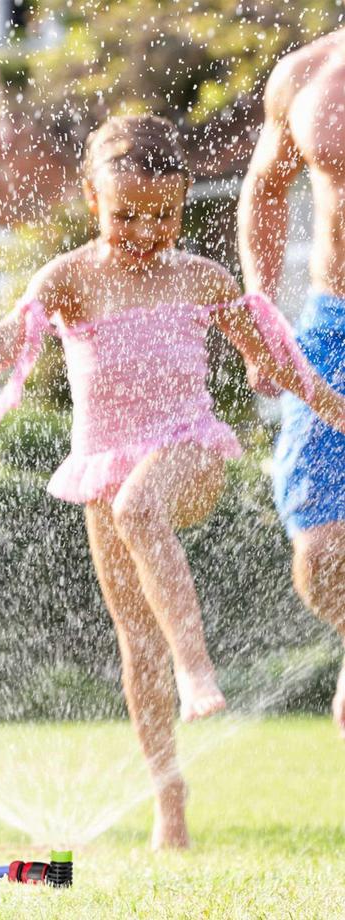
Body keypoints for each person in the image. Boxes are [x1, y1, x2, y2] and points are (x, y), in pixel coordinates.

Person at [0, 115, 345, 848]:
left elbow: (286, 362)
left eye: (163, 214)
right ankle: (170, 801)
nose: (145, 230)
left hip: (188, 454)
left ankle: (199, 670)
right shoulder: (69, 278)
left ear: (183, 200)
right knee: (138, 642)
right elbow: (12, 337)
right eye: (126, 214)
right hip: (103, 466)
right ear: (91, 197)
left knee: (142, 507)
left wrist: (337, 409)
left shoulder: (202, 278)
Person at [238, 29, 345, 739]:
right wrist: (261, 316)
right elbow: (264, 187)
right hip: (331, 325)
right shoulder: (308, 72)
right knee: (319, 549)